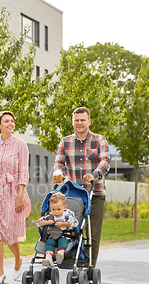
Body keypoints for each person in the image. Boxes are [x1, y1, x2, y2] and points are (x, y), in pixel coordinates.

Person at [53, 107, 110, 268]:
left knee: (92, 233)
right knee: (71, 229)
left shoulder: (99, 140)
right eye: (76, 120)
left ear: (89, 121)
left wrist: (94, 174)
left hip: (95, 193)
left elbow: (105, 162)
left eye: (82, 120)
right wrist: (60, 174)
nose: (79, 123)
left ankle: (89, 267)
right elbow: (58, 162)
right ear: (73, 122)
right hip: (72, 195)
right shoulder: (65, 141)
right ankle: (71, 262)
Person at [0, 111, 31, 284]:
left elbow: (23, 171)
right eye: (6, 121)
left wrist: (20, 195)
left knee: (10, 232)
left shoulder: (21, 145)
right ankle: (0, 272)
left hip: (13, 192)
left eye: (12, 121)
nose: (11, 123)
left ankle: (18, 259)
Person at [36, 192, 78, 266]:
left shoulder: (67, 215)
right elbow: (38, 223)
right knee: (49, 242)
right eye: (53, 209)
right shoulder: (51, 216)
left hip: (65, 236)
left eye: (59, 209)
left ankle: (60, 254)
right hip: (53, 236)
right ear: (50, 207)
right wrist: (46, 222)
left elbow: (75, 223)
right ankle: (48, 257)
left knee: (62, 241)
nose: (56, 212)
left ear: (64, 207)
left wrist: (63, 224)